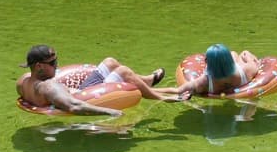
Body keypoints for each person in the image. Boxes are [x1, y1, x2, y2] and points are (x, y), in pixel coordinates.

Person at [16, 44, 183, 116]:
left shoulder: (22, 82)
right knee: (123, 72)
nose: (57, 65)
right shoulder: (48, 87)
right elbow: (74, 106)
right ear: (38, 66)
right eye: (53, 63)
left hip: (79, 90)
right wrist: (111, 112)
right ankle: (160, 97)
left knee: (110, 62)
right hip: (86, 95)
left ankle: (147, 82)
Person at [160, 44, 260, 98]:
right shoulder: (248, 70)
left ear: (207, 63)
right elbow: (255, 62)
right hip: (236, 71)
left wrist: (148, 91)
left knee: (239, 53)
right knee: (239, 53)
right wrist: (248, 56)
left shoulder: (204, 82)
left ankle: (236, 54)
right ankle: (233, 55)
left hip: (228, 71)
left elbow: (177, 91)